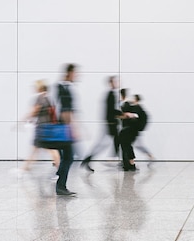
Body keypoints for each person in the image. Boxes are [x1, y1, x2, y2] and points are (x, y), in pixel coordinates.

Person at [81, 76, 122, 172]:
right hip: (110, 123)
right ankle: (114, 159)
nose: (117, 83)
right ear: (111, 83)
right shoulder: (110, 94)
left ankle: (88, 160)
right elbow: (111, 110)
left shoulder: (111, 94)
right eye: (115, 82)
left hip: (109, 123)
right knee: (112, 141)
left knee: (104, 143)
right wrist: (122, 114)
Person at [21, 80, 61, 176]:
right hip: (49, 126)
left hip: (42, 127)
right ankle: (26, 167)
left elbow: (35, 111)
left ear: (40, 88)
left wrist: (24, 119)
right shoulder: (49, 98)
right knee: (37, 148)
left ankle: (59, 168)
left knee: (46, 148)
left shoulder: (40, 97)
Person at [55, 63, 78, 196]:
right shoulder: (63, 88)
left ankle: (59, 181)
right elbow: (64, 111)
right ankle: (60, 186)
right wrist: (71, 128)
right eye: (75, 73)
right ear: (69, 73)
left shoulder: (62, 87)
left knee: (65, 157)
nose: (77, 75)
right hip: (63, 128)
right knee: (68, 157)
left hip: (61, 127)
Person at [118, 89, 141, 171]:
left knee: (125, 146)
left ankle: (128, 164)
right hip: (127, 129)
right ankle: (129, 164)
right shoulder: (126, 104)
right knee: (126, 146)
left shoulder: (124, 104)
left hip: (126, 129)